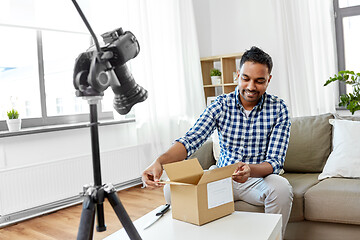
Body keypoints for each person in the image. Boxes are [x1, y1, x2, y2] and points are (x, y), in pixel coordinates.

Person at [142, 46, 293, 235]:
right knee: (172, 189)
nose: (251, 87)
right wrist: (159, 162)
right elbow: (191, 139)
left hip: (257, 179)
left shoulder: (279, 109)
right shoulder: (220, 104)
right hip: (221, 177)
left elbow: (275, 161)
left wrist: (249, 170)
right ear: (237, 75)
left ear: (268, 80)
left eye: (259, 81)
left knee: (281, 189)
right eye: (246, 78)